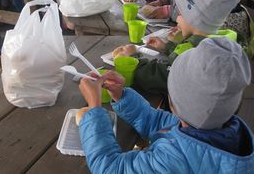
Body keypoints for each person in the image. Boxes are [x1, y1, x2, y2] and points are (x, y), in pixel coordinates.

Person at [78, 37, 253, 173]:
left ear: (173, 103)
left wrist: (94, 107)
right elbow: (156, 121)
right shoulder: (219, 129)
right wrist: (121, 95)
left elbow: (109, 168)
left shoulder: (172, 161)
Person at [122, 0, 241, 97]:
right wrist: (167, 47)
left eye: (180, 14)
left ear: (196, 20)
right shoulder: (212, 41)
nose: (177, 18)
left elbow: (157, 77)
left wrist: (133, 58)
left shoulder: (191, 50)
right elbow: (181, 56)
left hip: (178, 108)